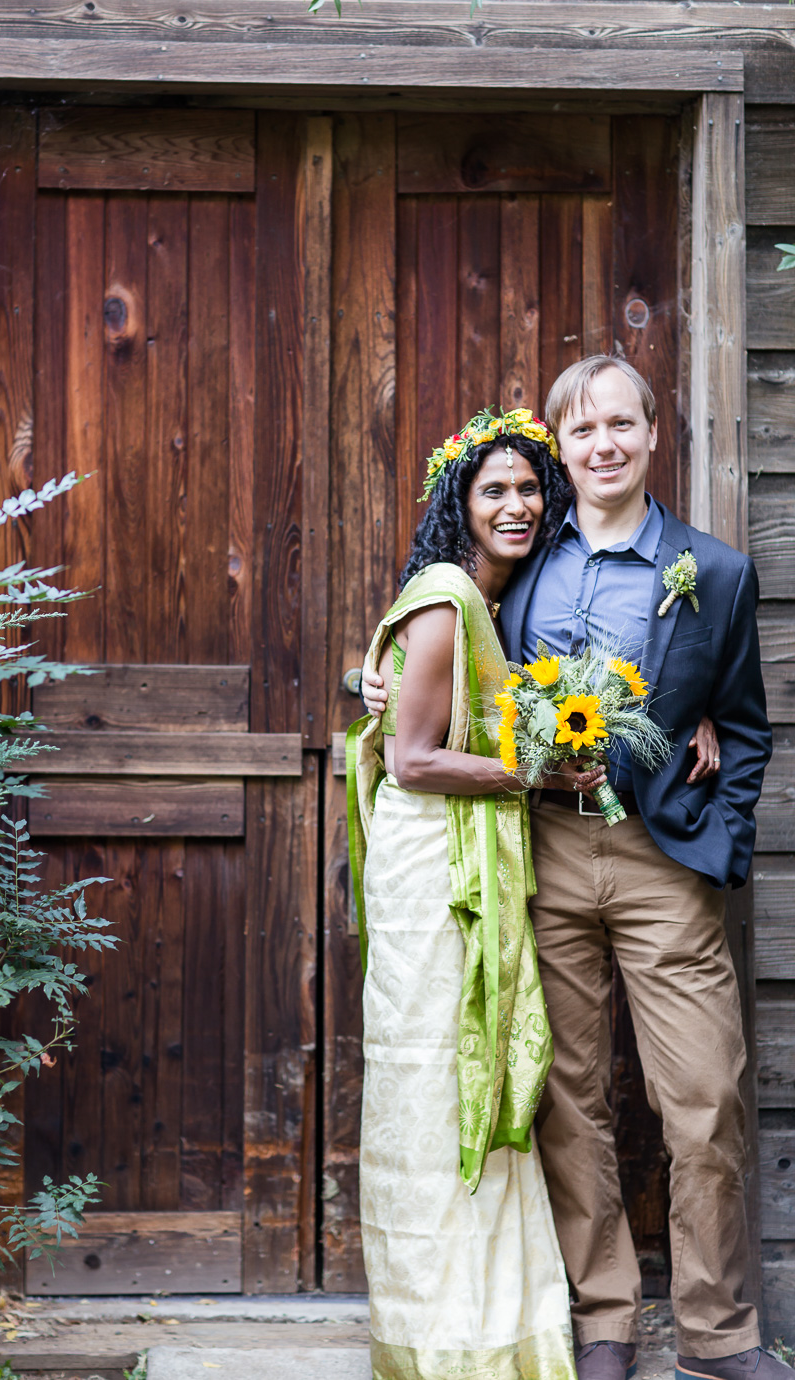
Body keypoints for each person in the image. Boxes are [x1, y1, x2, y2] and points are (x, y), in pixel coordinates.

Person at [362, 357, 785, 1380]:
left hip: (659, 863)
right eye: (581, 429)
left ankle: (717, 1335)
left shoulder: (714, 573)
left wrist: (716, 848)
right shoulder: (518, 560)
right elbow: (437, 643)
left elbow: (744, 729)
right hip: (539, 862)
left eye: (619, 425)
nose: (602, 445)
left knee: (704, 1098)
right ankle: (599, 1323)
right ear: (561, 445)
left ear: (651, 433)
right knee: (566, 1097)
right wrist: (363, 674)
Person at [348, 408, 599, 1380]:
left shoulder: (487, 603)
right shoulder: (446, 597)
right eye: (492, 488)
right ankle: (446, 1335)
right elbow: (411, 761)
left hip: (464, 859)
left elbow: (423, 702)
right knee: (437, 1080)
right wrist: (532, 778)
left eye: (529, 487)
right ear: (458, 501)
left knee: (480, 1073)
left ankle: (497, 1320)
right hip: (431, 876)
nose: (516, 504)